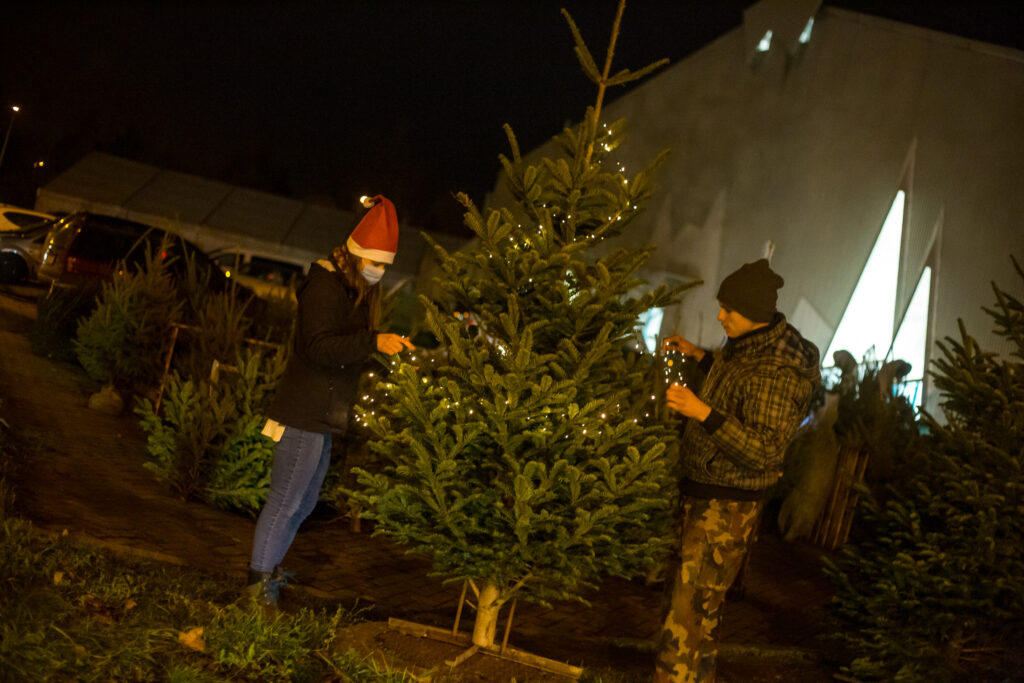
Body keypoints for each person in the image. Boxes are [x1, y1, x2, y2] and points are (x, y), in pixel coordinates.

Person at [654, 258, 820, 682]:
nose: (720, 316)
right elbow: (739, 385)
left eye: (729, 309)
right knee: (700, 614)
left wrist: (702, 412)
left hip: (725, 508)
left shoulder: (778, 371)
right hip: (708, 495)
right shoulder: (748, 345)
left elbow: (765, 449)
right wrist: (699, 356)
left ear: (755, 313)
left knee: (684, 619)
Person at [245, 195, 414, 608]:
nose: (378, 272)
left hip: (323, 414)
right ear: (356, 254)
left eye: (384, 266)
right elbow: (319, 346)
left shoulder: (353, 288)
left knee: (303, 503)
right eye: (374, 263)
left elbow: (344, 346)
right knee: (285, 500)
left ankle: (270, 571)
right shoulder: (325, 285)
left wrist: (377, 347)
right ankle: (256, 584)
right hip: (305, 410)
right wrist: (372, 341)